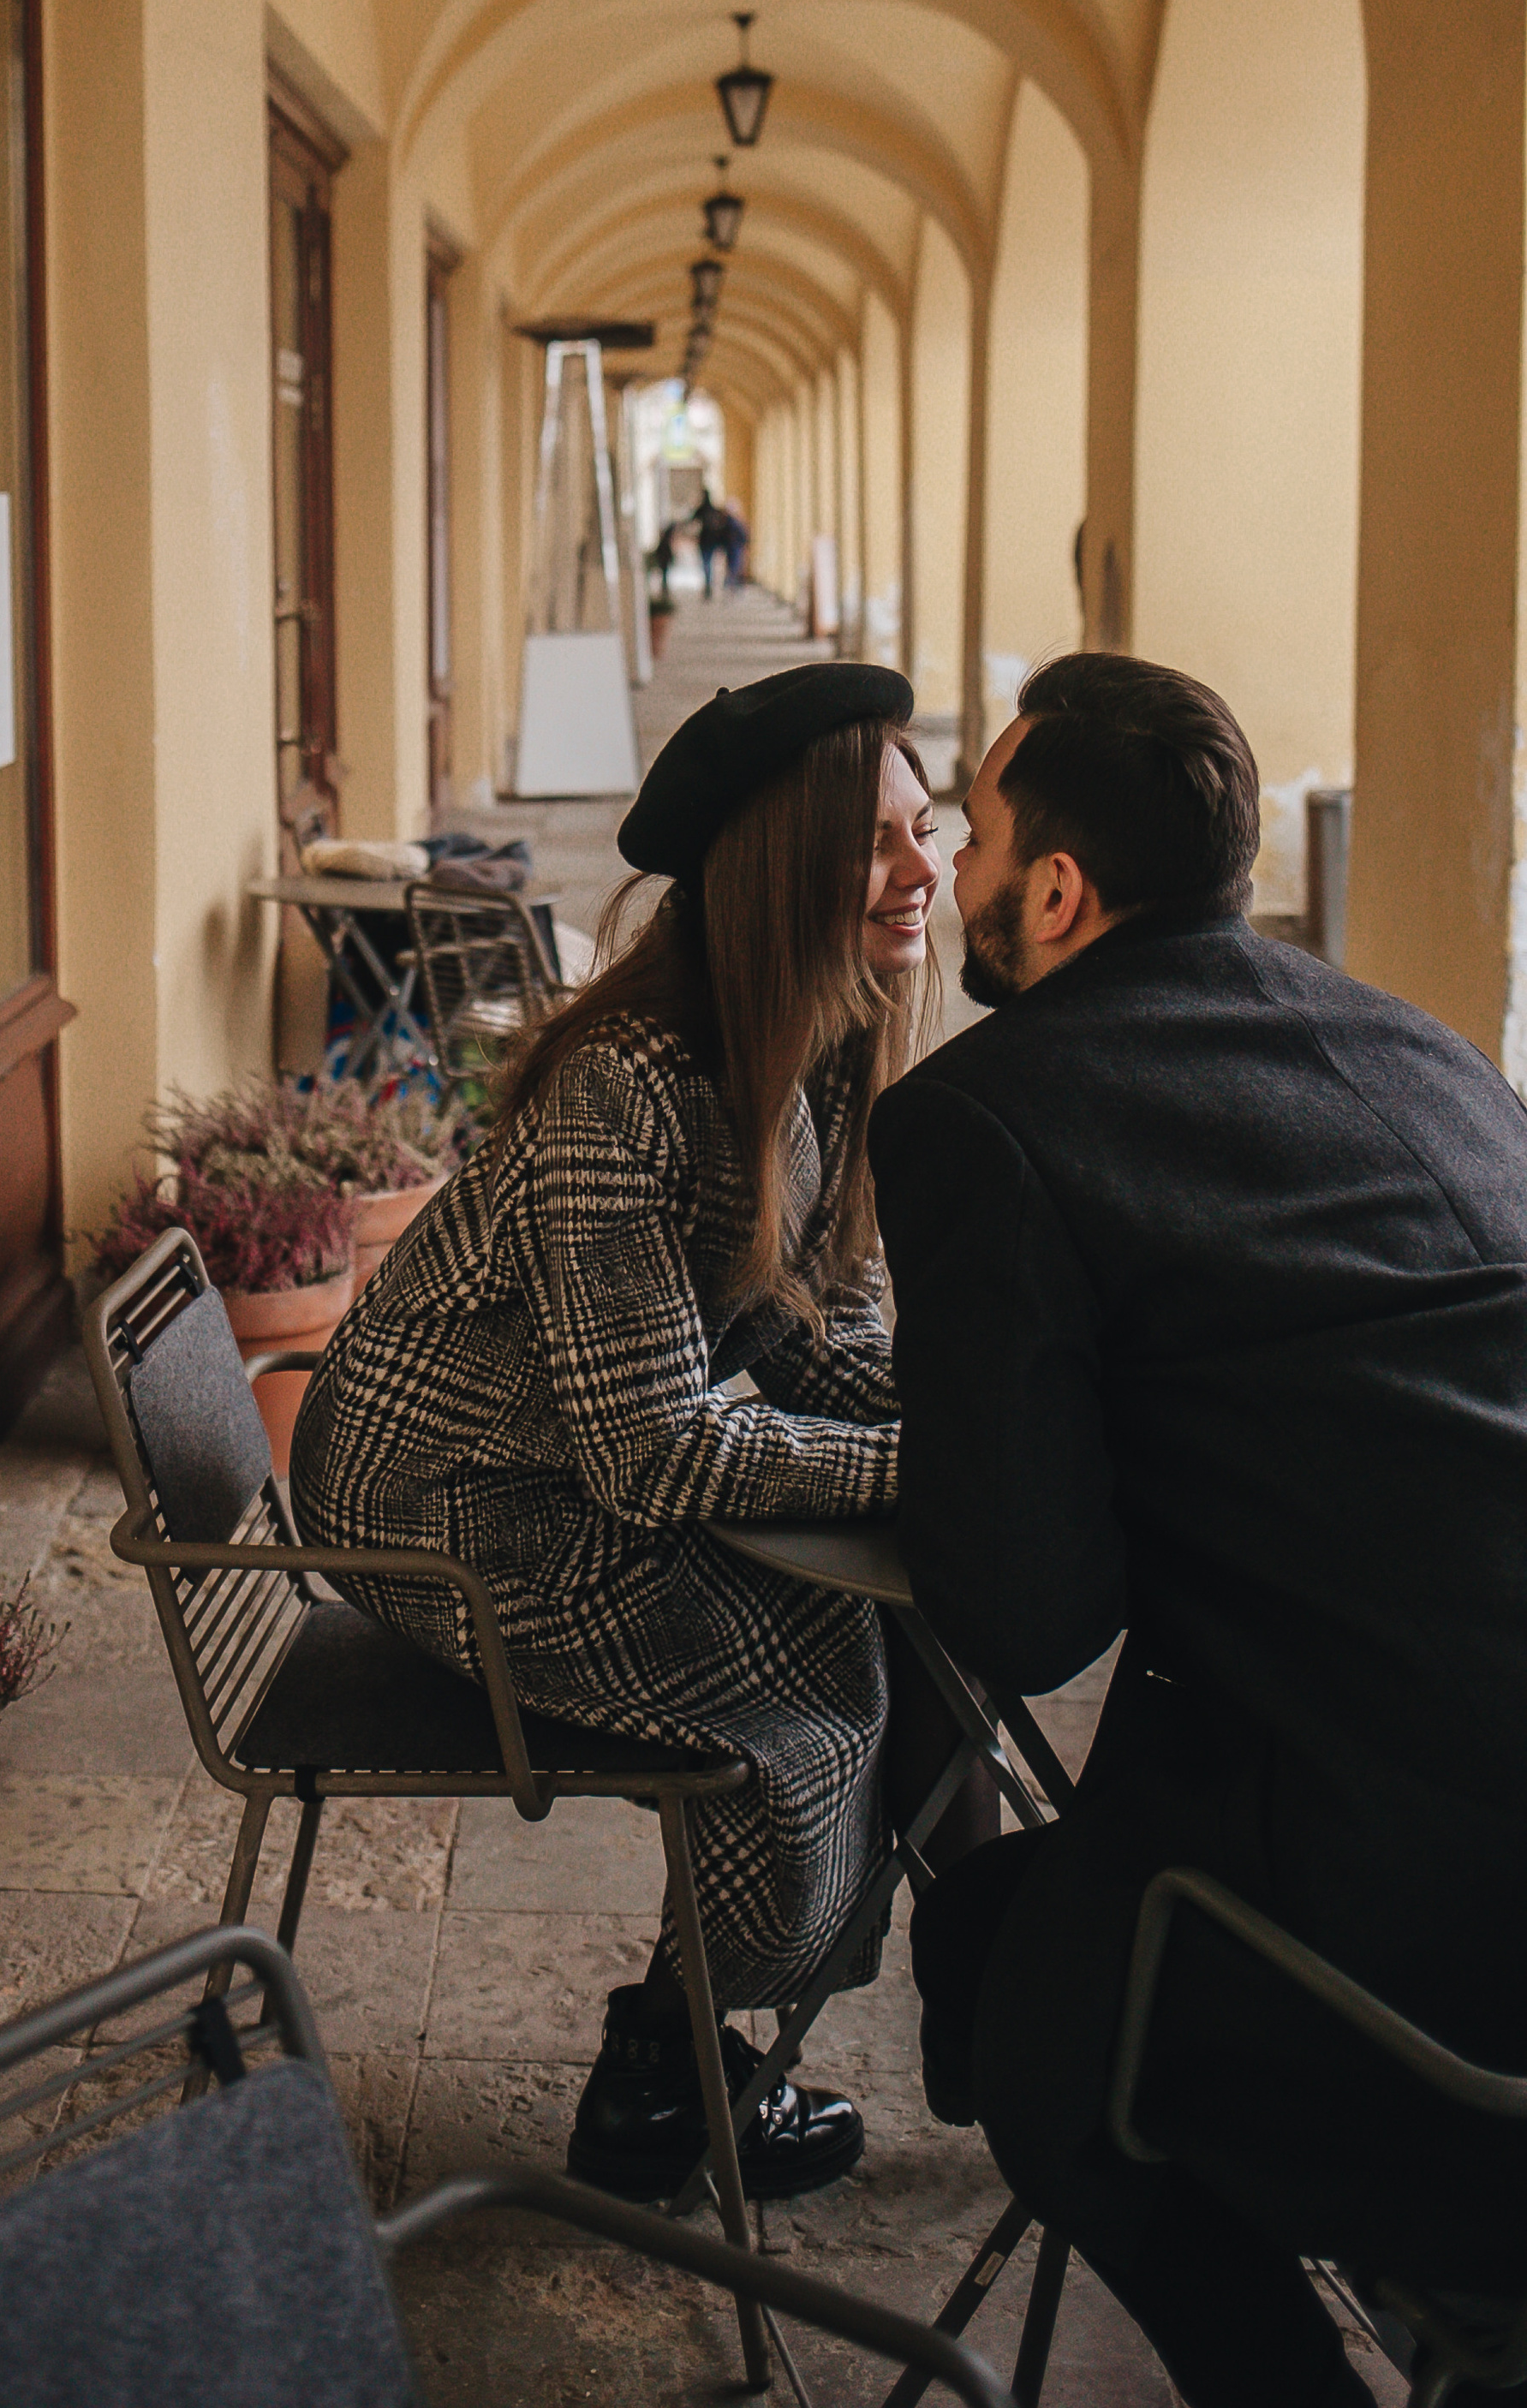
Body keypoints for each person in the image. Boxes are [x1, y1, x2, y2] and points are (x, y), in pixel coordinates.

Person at [868, 653, 1527, 2408]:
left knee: (1035, 2037)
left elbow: (1022, 1618)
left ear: (1056, 891)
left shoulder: (978, 1117)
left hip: (1407, 1922)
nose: (954, 864)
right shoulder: (1422, 1049)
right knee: (1005, 1929)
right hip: (1461, 1826)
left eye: (975, 831)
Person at [290, 662, 940, 2201]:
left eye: (936, 830)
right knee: (824, 1695)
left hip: (568, 1460)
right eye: (883, 843)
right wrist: (944, 1464)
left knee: (902, 1639)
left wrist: (949, 1416)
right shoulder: (623, 1090)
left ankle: (679, 2056)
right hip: (442, 1503)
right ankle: (682, 2069)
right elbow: (658, 1453)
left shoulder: (823, 1042)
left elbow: (829, 1328)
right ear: (783, 870)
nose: (928, 872)